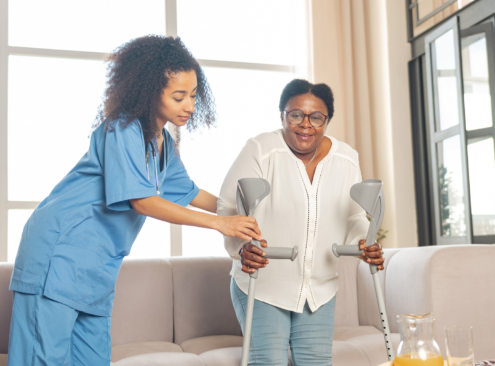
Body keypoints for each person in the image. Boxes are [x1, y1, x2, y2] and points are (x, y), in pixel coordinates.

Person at [7, 35, 261, 366]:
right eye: (178, 96)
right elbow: (142, 201)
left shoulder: (163, 144)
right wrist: (220, 224)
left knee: (92, 359)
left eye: (193, 96)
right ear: (148, 90)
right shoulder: (122, 128)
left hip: (97, 268)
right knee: (44, 359)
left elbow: (192, 194)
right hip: (58, 255)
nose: (189, 106)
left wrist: (244, 212)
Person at [219, 79, 385, 365]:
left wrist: (363, 243)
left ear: (327, 120)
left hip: (318, 290)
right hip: (263, 285)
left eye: (316, 117)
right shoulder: (261, 149)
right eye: (295, 114)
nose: (305, 124)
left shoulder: (346, 158)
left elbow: (355, 216)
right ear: (282, 115)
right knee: (268, 361)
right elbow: (229, 205)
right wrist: (243, 247)